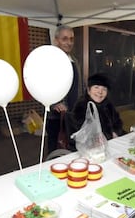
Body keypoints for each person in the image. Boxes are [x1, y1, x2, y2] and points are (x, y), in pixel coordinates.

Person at [46, 25, 84, 154]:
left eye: (71, 39)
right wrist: (53, 104)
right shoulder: (50, 61)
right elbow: (42, 86)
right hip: (57, 118)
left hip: (72, 116)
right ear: (56, 40)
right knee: (56, 151)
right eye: (65, 39)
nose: (69, 43)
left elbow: (78, 86)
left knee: (72, 149)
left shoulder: (75, 61)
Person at [69, 73, 124, 147]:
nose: (100, 92)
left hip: (110, 144)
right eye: (96, 87)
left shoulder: (108, 105)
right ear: (89, 90)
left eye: (104, 89)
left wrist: (115, 132)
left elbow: (118, 122)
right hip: (90, 149)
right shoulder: (81, 106)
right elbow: (80, 132)